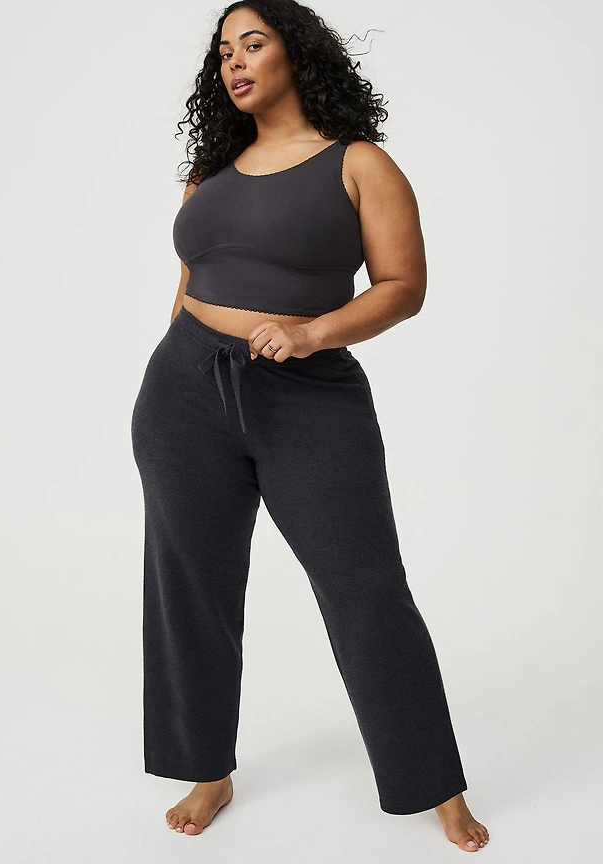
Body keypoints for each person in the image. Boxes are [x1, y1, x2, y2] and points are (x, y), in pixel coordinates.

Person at [131, 0, 490, 852]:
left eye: (253, 43)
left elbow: (402, 286)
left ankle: (434, 785)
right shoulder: (210, 174)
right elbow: (190, 285)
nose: (234, 61)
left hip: (309, 395)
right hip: (183, 391)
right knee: (190, 586)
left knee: (366, 588)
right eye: (224, 51)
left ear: (298, 55)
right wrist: (172, 372)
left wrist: (311, 334)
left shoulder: (358, 163)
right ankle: (207, 768)